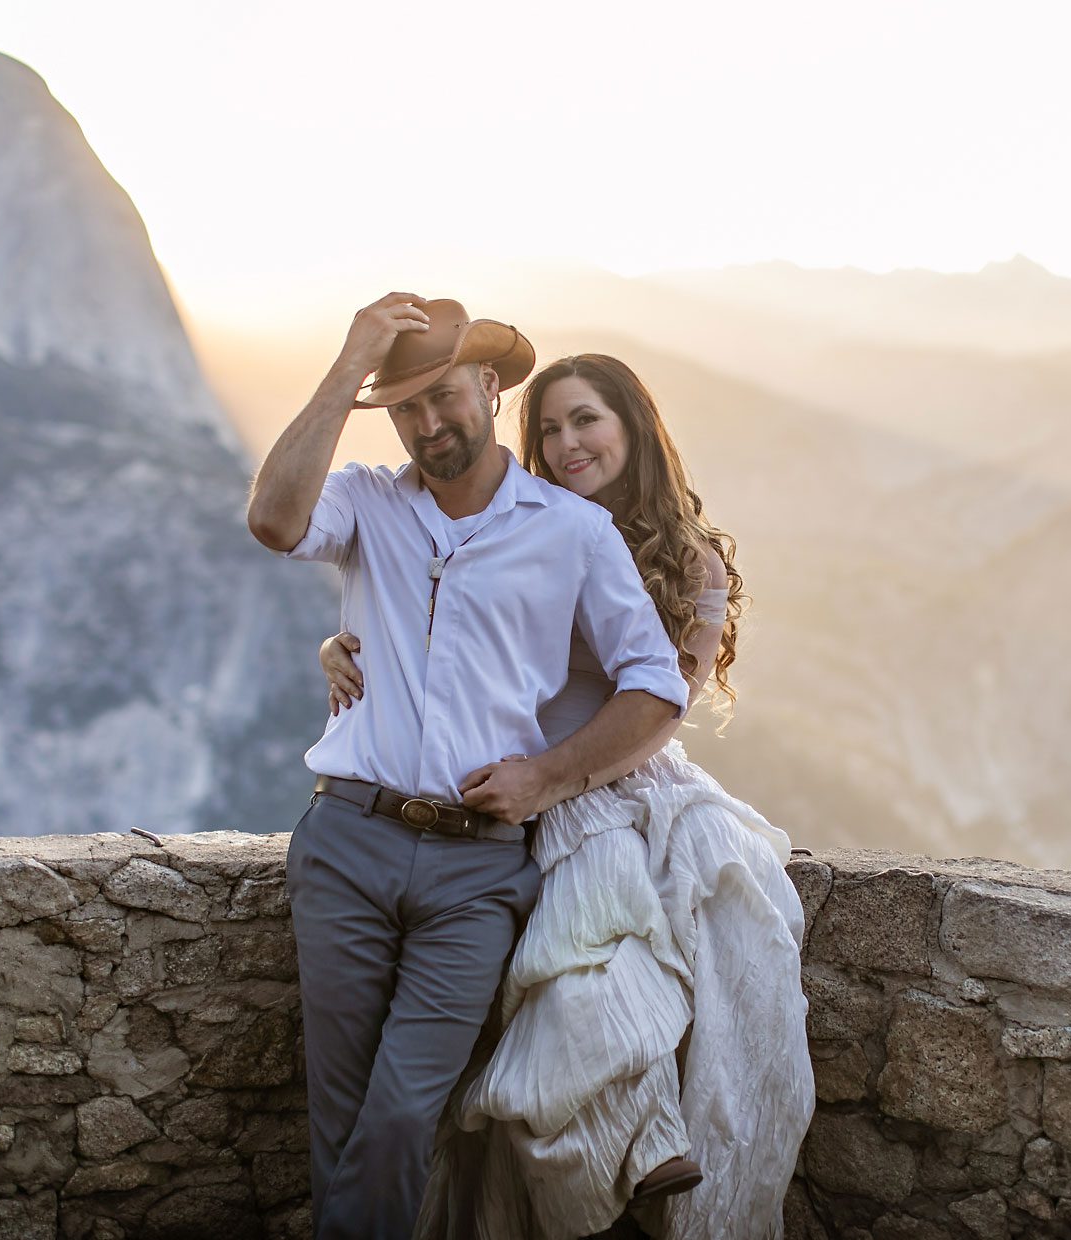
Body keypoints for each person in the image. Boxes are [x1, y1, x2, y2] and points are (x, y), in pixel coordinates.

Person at [318, 354, 814, 1239]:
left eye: (585, 420)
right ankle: (632, 1136)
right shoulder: (530, 529)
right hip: (503, 784)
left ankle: (646, 1130)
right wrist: (348, 644)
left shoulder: (678, 559)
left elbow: (662, 703)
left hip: (599, 777)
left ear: (634, 427)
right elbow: (462, 640)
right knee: (581, 937)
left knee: (601, 925)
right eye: (549, 429)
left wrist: (562, 780)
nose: (566, 442)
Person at [246, 298, 692, 1240]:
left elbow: (655, 684)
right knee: (340, 1114)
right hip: (345, 843)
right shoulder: (365, 499)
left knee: (405, 1108)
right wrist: (346, 367)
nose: (427, 424)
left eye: (443, 396)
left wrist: (550, 778)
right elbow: (274, 521)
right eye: (403, 407)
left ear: (491, 388)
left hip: (477, 867)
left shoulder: (571, 530)